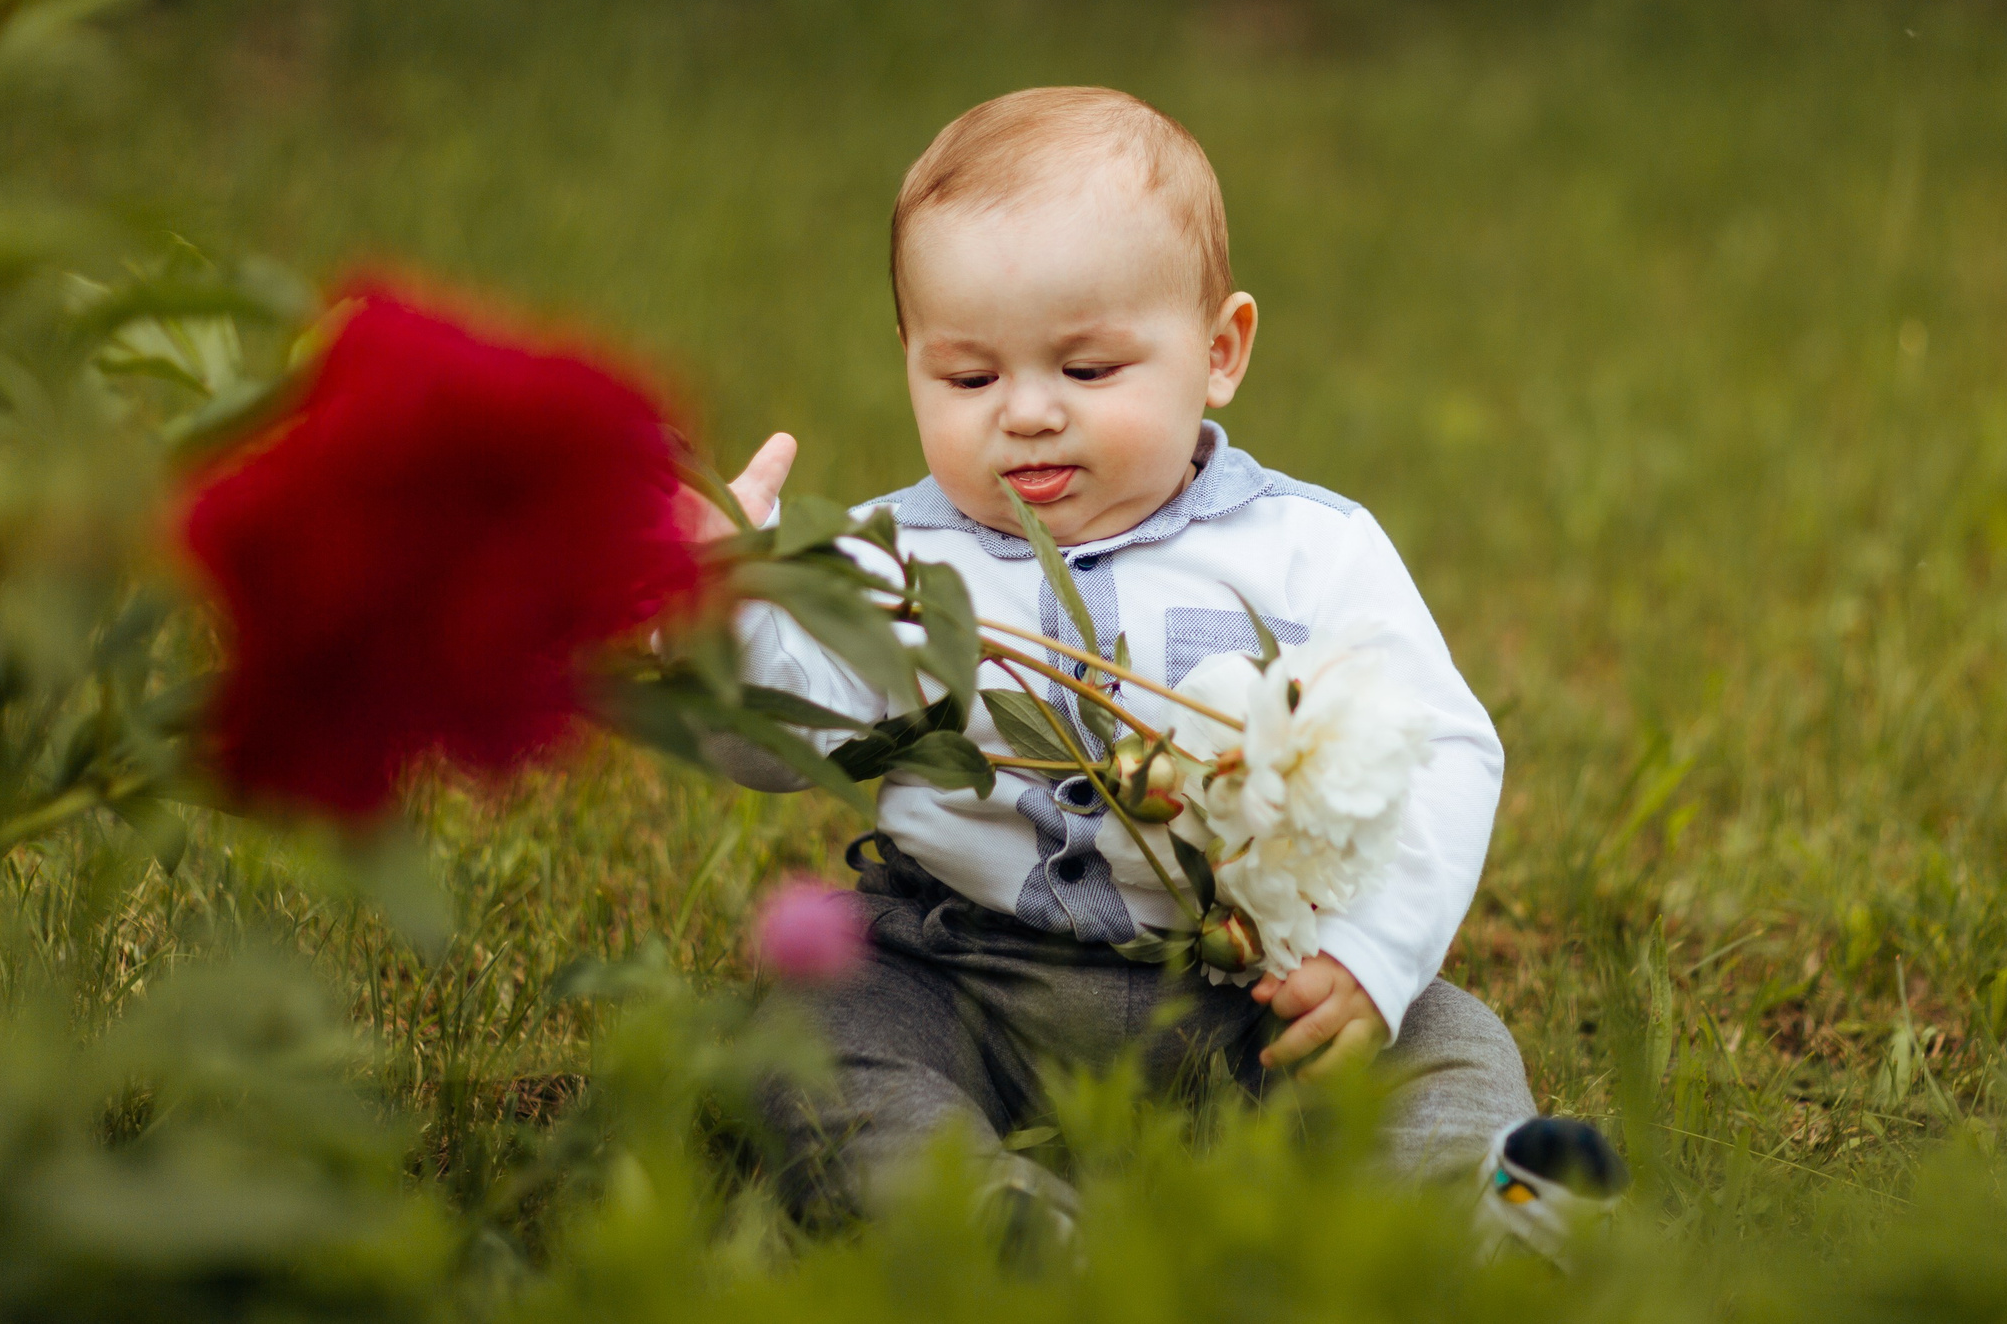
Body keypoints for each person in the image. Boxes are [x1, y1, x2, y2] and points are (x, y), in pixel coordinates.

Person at [688, 86, 1625, 1256]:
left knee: (1440, 1035)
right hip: (963, 969)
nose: (1027, 414)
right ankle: (984, 1219)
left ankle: (1486, 1212)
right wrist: (722, 619)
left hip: (1252, 990)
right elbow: (777, 744)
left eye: (1087, 370)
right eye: (968, 379)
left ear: (1219, 353)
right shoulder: (889, 559)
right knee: (812, 1028)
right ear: (910, 361)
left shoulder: (1307, 548)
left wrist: (1371, 955)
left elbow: (1439, 747)